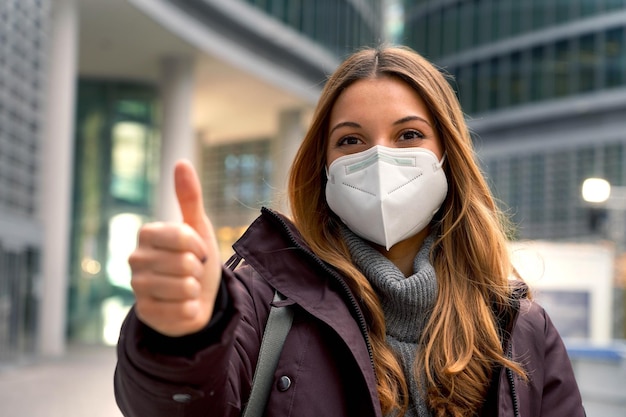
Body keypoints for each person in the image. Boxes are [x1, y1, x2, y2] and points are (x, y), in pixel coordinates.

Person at [114, 46, 585, 417]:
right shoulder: (260, 304)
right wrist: (182, 337)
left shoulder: (519, 328)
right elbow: (177, 406)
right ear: (323, 168)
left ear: (448, 157)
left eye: (408, 135)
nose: (378, 158)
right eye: (351, 140)